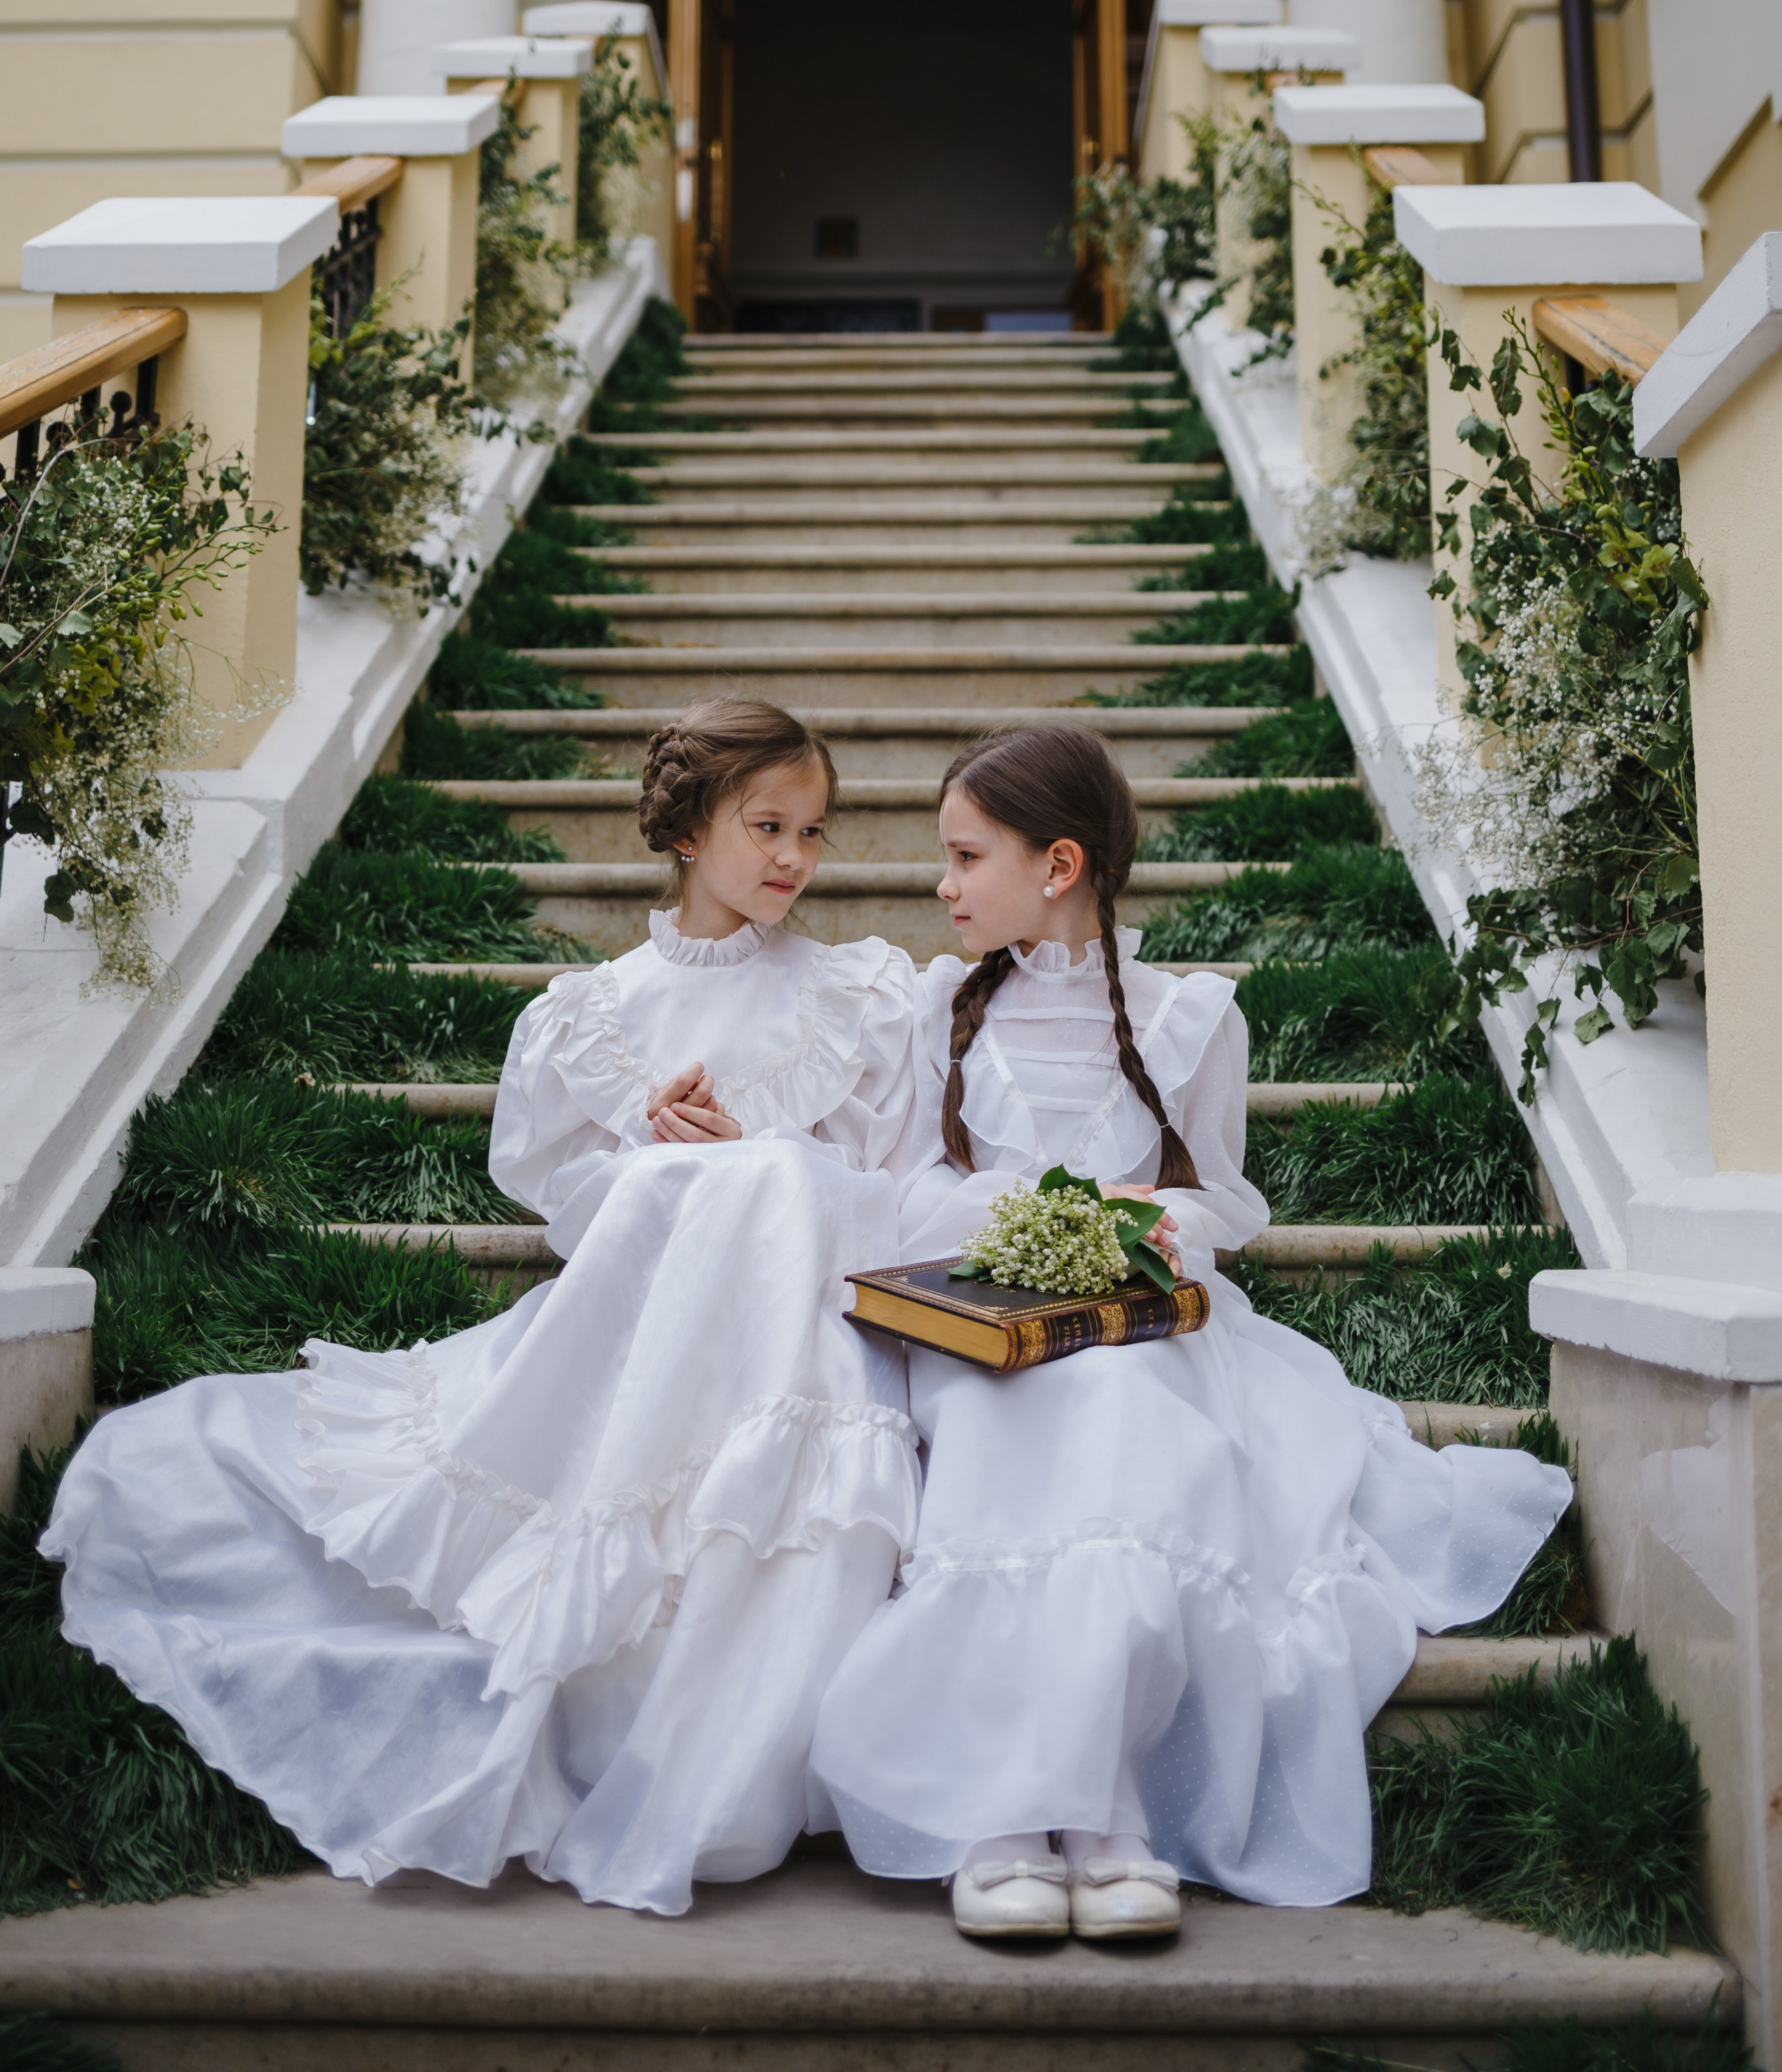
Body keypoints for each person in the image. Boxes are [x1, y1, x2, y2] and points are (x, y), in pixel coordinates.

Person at [44, 698, 922, 1916]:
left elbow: (882, 1189)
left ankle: (740, 1669)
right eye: (765, 825)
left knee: (769, 1195)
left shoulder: (856, 996)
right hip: (647, 1321)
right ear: (685, 829)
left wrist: (749, 1148)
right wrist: (650, 1153)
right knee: (684, 1182)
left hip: (790, 1323)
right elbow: (572, 1209)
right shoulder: (593, 1015)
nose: (791, 858)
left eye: (813, 834)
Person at [808, 724, 1572, 1943]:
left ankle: (1108, 1814)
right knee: (1019, 1420)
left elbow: (1217, 1196)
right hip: (981, 1330)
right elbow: (895, 1187)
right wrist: (1024, 1219)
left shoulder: (1190, 1018)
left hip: (1138, 1326)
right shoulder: (936, 1006)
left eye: (964, 857)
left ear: (1059, 866)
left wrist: (1144, 1229)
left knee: (1119, 1412)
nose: (942, 887)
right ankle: (1007, 1814)